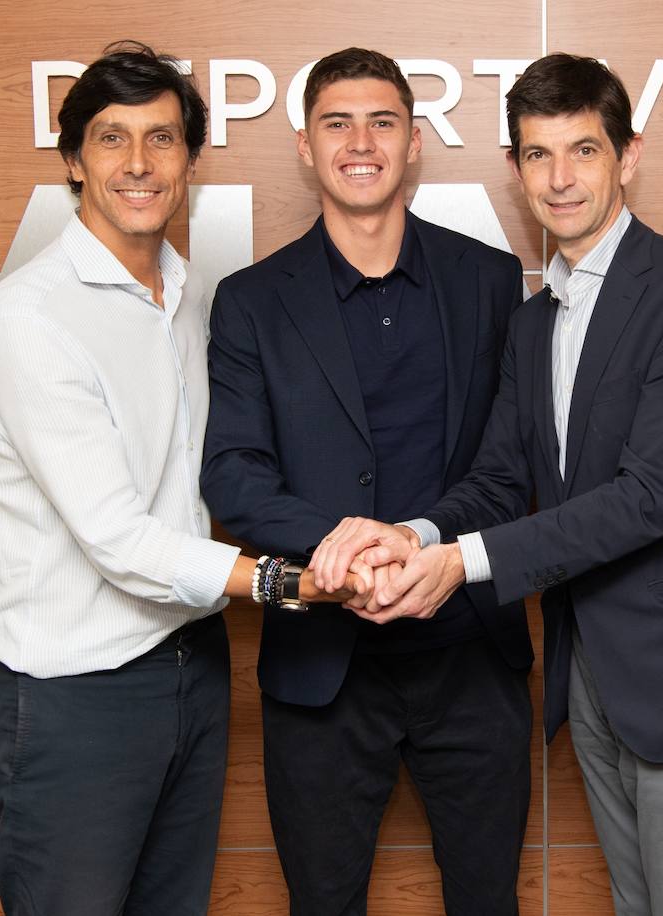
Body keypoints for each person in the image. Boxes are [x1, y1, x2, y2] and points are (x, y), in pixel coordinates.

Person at [313, 53, 663, 916]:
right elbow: (502, 476)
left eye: (583, 150)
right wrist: (416, 538)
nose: (561, 178)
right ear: (514, 170)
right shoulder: (536, 321)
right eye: (538, 155)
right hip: (597, 680)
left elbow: (654, 492)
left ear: (629, 154)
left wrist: (462, 566)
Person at [0, 42, 356, 916]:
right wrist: (290, 581)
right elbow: (115, 536)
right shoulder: (34, 318)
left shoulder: (185, 296)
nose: (138, 165)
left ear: (188, 160)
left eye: (162, 139)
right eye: (111, 140)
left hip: (191, 672)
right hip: (76, 700)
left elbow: (216, 477)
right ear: (73, 160)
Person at [199, 47, 533, 916]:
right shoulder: (249, 300)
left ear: (414, 142)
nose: (360, 142)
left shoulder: (490, 282)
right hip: (321, 668)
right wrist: (341, 551)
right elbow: (232, 477)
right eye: (336, 123)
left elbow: (513, 468)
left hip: (471, 658)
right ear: (306, 148)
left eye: (381, 121)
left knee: (487, 901)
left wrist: (419, 543)